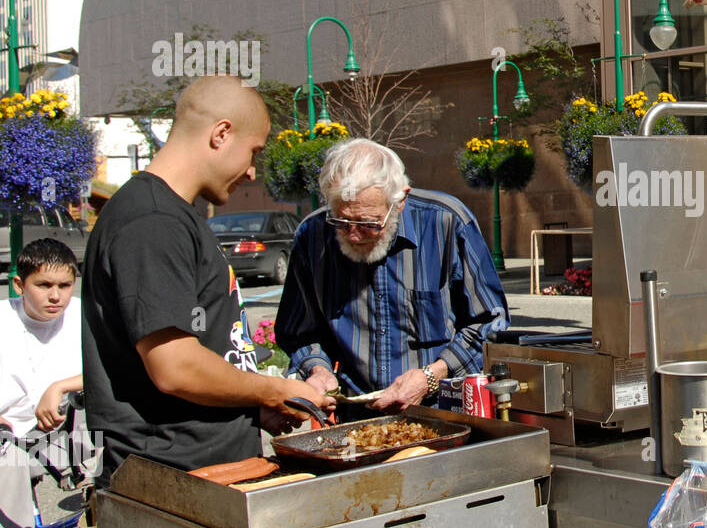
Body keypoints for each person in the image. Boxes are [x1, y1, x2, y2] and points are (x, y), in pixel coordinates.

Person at [82, 73, 334, 488]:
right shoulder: (153, 220)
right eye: (254, 152)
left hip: (207, 473)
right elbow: (176, 367)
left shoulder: (172, 214)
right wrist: (272, 389)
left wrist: (254, 408)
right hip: (177, 482)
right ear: (221, 134)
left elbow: (204, 354)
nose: (252, 172)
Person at [276, 138, 509, 410]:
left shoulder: (445, 222)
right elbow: (297, 332)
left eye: (368, 223)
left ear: (400, 200)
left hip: (442, 411)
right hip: (356, 418)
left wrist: (431, 376)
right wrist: (317, 369)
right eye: (341, 220)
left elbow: (489, 322)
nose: (353, 234)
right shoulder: (312, 237)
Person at [0, 239, 84, 528]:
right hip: (8, 434)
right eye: (44, 284)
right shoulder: (3, 320)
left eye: (64, 285)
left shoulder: (81, 315)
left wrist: (60, 386)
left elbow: (116, 367)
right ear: (20, 284)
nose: (55, 296)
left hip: (60, 430)